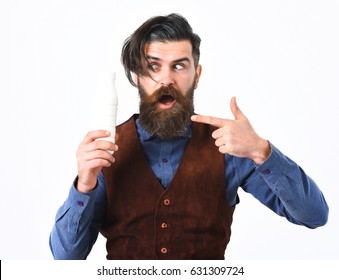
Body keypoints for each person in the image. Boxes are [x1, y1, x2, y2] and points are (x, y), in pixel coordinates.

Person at [49, 13, 328, 260]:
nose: (166, 79)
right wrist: (84, 184)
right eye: (153, 67)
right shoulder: (108, 149)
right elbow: (66, 259)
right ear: (136, 76)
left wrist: (261, 151)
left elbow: (315, 216)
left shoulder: (228, 145)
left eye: (179, 66)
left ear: (197, 75)